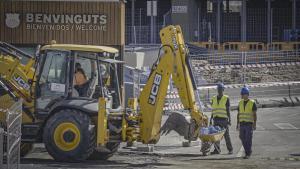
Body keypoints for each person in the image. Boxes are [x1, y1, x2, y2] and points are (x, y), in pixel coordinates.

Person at [210, 83, 233, 155]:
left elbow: (228, 109)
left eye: (221, 89)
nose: (220, 91)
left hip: (224, 120)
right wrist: (211, 119)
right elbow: (213, 109)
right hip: (216, 119)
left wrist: (230, 119)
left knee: (226, 135)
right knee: (216, 136)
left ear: (223, 90)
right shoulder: (213, 98)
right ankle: (217, 150)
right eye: (218, 89)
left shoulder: (226, 98)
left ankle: (230, 149)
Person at [237, 87, 257, 159]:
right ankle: (248, 151)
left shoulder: (252, 103)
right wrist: (237, 124)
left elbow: (254, 114)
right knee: (242, 137)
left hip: (249, 124)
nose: (242, 95)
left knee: (248, 139)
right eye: (241, 94)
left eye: (243, 94)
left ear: (247, 94)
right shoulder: (240, 102)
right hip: (242, 124)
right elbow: (238, 114)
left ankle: (247, 153)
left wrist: (254, 124)